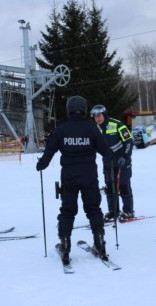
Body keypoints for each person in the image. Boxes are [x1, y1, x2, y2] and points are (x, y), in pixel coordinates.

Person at [36, 96, 112, 264]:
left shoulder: (62, 130)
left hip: (69, 177)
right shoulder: (92, 128)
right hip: (90, 176)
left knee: (68, 210)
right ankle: (100, 243)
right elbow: (105, 150)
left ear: (69, 108)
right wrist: (115, 158)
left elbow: (49, 151)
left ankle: (64, 244)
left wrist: (41, 164)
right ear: (84, 109)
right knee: (93, 209)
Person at [89, 105, 134, 222]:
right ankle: (113, 211)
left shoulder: (117, 124)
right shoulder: (95, 128)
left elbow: (129, 141)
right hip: (108, 163)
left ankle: (128, 211)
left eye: (99, 116)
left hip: (122, 161)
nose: (97, 118)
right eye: (95, 116)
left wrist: (125, 156)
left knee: (123, 185)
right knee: (110, 187)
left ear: (104, 114)